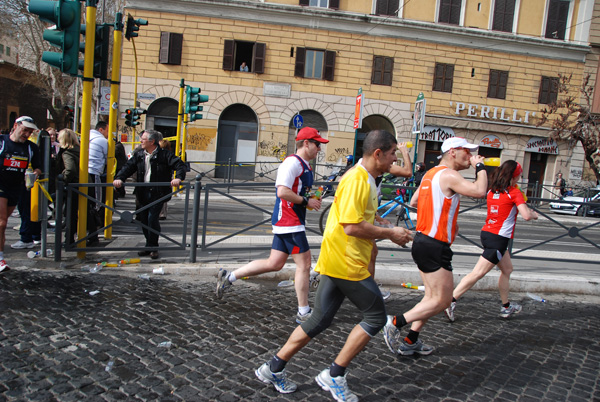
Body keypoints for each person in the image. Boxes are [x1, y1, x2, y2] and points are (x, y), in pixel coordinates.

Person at [254, 130, 412, 401]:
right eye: (393, 153)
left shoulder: (366, 177)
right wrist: (391, 234)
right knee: (375, 318)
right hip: (346, 262)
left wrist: (381, 224)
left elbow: (357, 216)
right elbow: (350, 226)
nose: (395, 159)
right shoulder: (358, 179)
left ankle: (272, 368)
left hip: (337, 259)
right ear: (378, 154)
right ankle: (334, 375)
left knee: (319, 320)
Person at [382, 136, 487, 356]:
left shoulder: (430, 174)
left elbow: (413, 202)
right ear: (452, 152)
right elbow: (479, 191)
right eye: (466, 152)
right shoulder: (450, 175)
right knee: (443, 299)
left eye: (471, 153)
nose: (469, 156)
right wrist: (480, 166)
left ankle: (411, 341)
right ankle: (395, 322)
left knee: (431, 298)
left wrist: (442, 217)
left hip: (423, 240)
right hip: (435, 244)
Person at [215, 126, 327, 323]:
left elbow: (296, 192)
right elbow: (282, 192)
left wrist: (310, 199)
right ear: (306, 143)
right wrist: (304, 201)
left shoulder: (305, 165)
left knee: (274, 264)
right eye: (317, 144)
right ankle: (303, 312)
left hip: (291, 219)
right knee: (305, 264)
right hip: (289, 221)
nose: (320, 149)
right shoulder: (292, 163)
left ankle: (229, 277)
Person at [444, 160, 538, 322]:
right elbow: (527, 215)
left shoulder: (492, 191)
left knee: (507, 269)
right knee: (478, 273)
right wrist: (534, 214)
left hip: (488, 233)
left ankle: (506, 306)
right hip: (498, 239)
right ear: (514, 176)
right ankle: (450, 301)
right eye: (519, 176)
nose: (519, 179)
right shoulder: (513, 192)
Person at [113, 129, 186, 260]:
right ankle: (149, 245)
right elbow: (128, 167)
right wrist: (120, 178)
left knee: (152, 219)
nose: (140, 141)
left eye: (143, 139)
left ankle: (153, 247)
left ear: (152, 141)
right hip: (142, 192)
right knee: (144, 220)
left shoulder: (164, 155)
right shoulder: (139, 155)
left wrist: (178, 178)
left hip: (158, 193)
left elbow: (180, 165)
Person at [0, 116, 41, 272]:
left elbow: (38, 167)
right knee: (2, 223)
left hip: (16, 188)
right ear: (16, 126)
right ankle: (1, 259)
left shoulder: (31, 148)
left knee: (2, 225)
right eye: (24, 130)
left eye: (30, 132)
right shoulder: (2, 142)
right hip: (1, 185)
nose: (26, 135)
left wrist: (33, 174)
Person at [56, 129, 81, 245]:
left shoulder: (67, 153)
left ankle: (69, 239)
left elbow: (70, 169)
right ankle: (92, 236)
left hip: (72, 186)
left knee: (69, 213)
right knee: (80, 212)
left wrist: (63, 180)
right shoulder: (80, 150)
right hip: (82, 184)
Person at [87, 121, 109, 245]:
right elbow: (108, 159)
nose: (108, 133)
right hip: (94, 173)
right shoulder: (102, 141)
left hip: (84, 172)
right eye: (107, 130)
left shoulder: (86, 136)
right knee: (96, 204)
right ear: (101, 130)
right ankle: (93, 234)